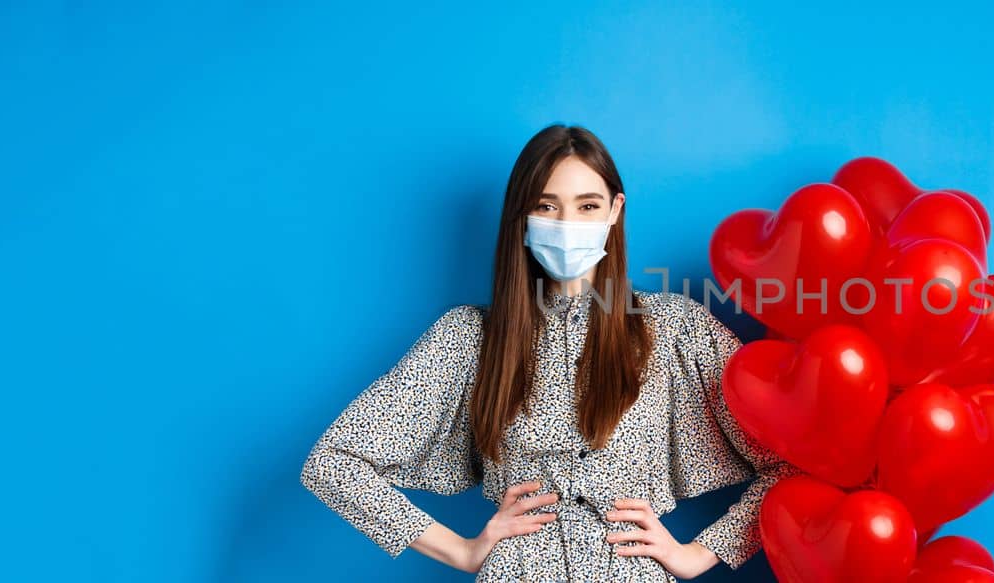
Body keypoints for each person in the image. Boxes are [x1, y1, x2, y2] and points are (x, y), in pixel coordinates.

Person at [299, 124, 796, 582]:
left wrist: (699, 554)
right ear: (522, 217)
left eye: (586, 206)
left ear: (614, 210)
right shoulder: (469, 338)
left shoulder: (672, 329)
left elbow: (788, 462)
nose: (567, 222)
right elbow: (332, 464)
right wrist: (463, 550)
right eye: (547, 206)